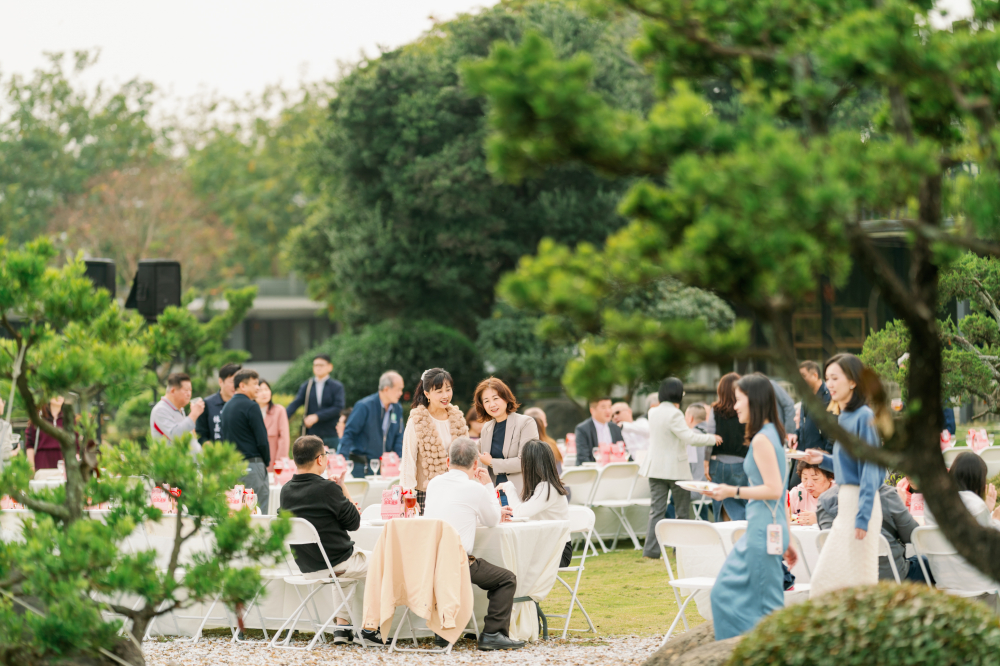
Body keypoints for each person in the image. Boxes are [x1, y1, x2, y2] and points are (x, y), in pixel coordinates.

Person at [703, 374, 797, 641]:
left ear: (753, 401)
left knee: (765, 604)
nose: (734, 406)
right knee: (727, 594)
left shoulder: (762, 439)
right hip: (767, 528)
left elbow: (775, 489)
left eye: (739, 399)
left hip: (763, 531)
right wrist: (786, 535)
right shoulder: (769, 436)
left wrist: (731, 490)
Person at [279, 435, 383, 646]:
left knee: (343, 566)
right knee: (383, 560)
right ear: (319, 459)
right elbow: (354, 523)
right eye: (326, 455)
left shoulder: (285, 491)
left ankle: (342, 629)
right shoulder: (327, 488)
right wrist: (342, 488)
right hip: (335, 562)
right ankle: (372, 628)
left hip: (307, 566)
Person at [423, 437, 525, 651]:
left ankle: (443, 633)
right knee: (506, 580)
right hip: (456, 563)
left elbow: (455, 512)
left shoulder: (434, 483)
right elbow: (490, 521)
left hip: (429, 561)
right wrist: (488, 486)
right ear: (476, 464)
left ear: (448, 461)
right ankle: (493, 634)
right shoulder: (474, 488)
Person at [803, 353, 886, 599]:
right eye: (827, 377)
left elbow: (871, 470)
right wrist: (823, 460)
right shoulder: (845, 415)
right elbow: (849, 466)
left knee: (860, 583)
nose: (829, 383)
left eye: (835, 377)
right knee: (826, 582)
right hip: (847, 503)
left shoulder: (864, 416)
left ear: (853, 382)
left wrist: (862, 517)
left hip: (862, 505)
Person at [641, 378, 721, 559]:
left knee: (656, 510)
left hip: (655, 468)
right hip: (676, 469)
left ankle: (651, 550)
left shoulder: (652, 412)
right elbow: (689, 437)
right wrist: (712, 438)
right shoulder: (675, 414)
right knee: (682, 511)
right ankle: (682, 548)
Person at [923, 452, 1000, 596]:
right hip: (978, 584)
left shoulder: (932, 502)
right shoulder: (976, 505)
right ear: (978, 480)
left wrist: (986, 510)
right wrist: (995, 520)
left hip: (944, 582)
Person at [817, 480, 924, 583]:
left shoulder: (823, 500)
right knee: (928, 563)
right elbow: (911, 535)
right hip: (889, 578)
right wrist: (901, 502)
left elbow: (830, 544)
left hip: (844, 579)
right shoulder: (887, 494)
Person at [401, 368, 469, 513]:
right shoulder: (416, 421)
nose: (445, 395)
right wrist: (408, 494)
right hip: (425, 494)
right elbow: (408, 460)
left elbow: (467, 457)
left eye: (448, 389)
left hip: (456, 493)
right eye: (439, 391)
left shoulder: (457, 419)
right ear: (427, 394)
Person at [506, 439, 572, 566]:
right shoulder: (544, 486)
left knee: (510, 558)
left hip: (557, 551)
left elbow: (520, 513)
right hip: (548, 547)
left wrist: (509, 487)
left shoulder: (547, 488)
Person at [475, 377, 539, 496]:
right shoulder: (487, 428)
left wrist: (492, 462)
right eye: (486, 401)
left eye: (495, 398)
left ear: (505, 398)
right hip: (494, 495)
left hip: (521, 493)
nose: (492, 404)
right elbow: (473, 451)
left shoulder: (526, 423)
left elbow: (526, 462)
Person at [220, 369, 271, 513]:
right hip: (252, 466)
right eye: (255, 383)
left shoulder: (226, 407)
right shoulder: (251, 406)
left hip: (233, 467)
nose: (258, 387)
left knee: (236, 512)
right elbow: (262, 440)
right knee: (258, 512)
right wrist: (265, 462)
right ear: (242, 386)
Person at [339, 371, 405, 479]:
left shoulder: (397, 408)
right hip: (361, 466)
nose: (401, 393)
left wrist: (402, 461)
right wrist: (342, 461)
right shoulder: (364, 406)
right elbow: (349, 433)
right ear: (386, 389)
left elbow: (399, 437)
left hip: (386, 467)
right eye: (399, 389)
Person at [705, 373, 748, 521]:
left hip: (717, 464)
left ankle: (723, 539)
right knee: (740, 502)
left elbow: (710, 438)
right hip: (741, 464)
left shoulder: (715, 410)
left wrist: (706, 463)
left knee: (720, 503)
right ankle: (739, 536)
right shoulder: (746, 411)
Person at [286, 354, 346, 452]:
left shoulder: (336, 386)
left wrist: (317, 416)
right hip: (312, 434)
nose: (318, 368)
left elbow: (338, 407)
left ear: (330, 367)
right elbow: (296, 403)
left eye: (321, 365)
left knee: (332, 463)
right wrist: (282, 418)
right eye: (315, 365)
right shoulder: (307, 385)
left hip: (331, 433)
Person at [788, 361, 833, 489]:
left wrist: (827, 455)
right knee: (793, 489)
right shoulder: (806, 397)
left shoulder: (828, 397)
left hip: (820, 457)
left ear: (815, 375)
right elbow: (804, 423)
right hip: (802, 454)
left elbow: (832, 430)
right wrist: (796, 435)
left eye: (803, 376)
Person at [150, 372, 205, 452]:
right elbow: (176, 436)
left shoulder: (179, 409)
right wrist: (193, 415)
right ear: (172, 391)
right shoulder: (160, 410)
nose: (189, 394)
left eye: (190, 390)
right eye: (186, 390)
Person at [195, 363, 242, 443]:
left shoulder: (244, 404)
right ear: (220, 381)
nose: (235, 385)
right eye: (232, 381)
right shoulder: (207, 404)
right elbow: (201, 434)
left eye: (238, 382)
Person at [574, 397, 623, 466]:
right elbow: (583, 458)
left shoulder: (615, 428)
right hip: (592, 472)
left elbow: (623, 451)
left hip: (614, 470)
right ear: (592, 410)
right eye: (603, 407)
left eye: (610, 407)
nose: (608, 411)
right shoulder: (582, 429)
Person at [25, 395, 69, 472]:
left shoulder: (68, 419)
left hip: (63, 463)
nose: (59, 396)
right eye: (55, 393)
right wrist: (31, 467)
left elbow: (75, 445)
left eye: (61, 393)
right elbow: (30, 444)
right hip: (42, 463)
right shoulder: (38, 417)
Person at [255, 379, 290, 473]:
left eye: (266, 389)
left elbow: (284, 439)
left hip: (274, 463)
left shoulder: (279, 411)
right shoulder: (250, 413)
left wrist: (278, 463)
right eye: (260, 390)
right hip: (255, 464)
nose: (264, 393)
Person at [525, 408, 563, 475]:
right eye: (545, 421)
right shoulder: (551, 444)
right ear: (541, 423)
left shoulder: (521, 447)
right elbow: (559, 472)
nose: (546, 424)